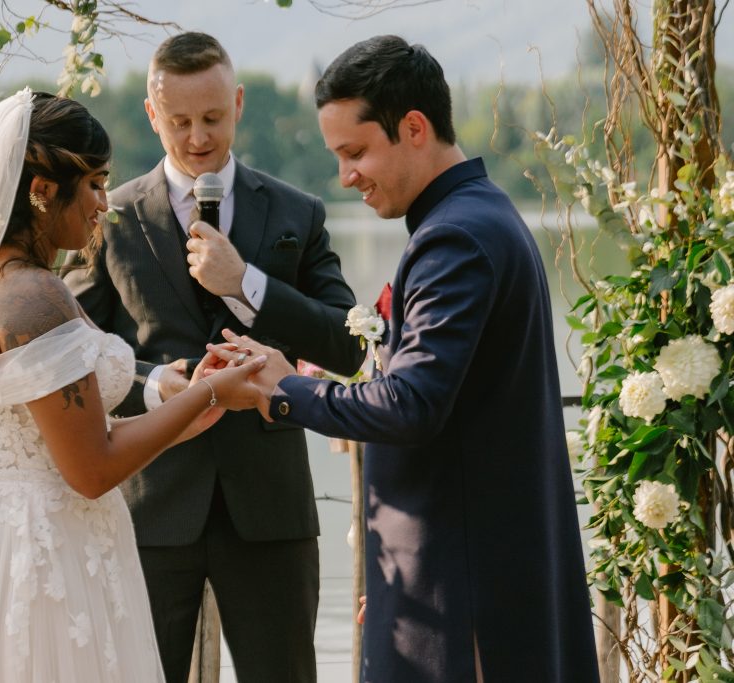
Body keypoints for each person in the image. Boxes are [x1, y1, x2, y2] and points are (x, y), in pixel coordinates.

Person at [209, 35, 600, 683]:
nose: (345, 176)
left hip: (463, 600)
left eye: (355, 152)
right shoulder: (477, 217)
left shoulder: (455, 239)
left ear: (414, 127)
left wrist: (282, 389)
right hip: (454, 573)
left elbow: (412, 403)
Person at [0, 91, 267, 682]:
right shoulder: (33, 298)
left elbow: (63, 437)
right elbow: (90, 468)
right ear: (41, 190)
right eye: (93, 183)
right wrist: (214, 394)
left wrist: (183, 399)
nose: (103, 203)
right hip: (42, 552)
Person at [63, 32, 364, 682]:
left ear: (238, 102)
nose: (197, 136)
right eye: (179, 121)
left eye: (212, 118)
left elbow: (348, 342)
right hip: (150, 503)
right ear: (152, 114)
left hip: (270, 507)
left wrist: (248, 284)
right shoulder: (107, 217)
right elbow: (71, 353)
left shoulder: (297, 211)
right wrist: (154, 384)